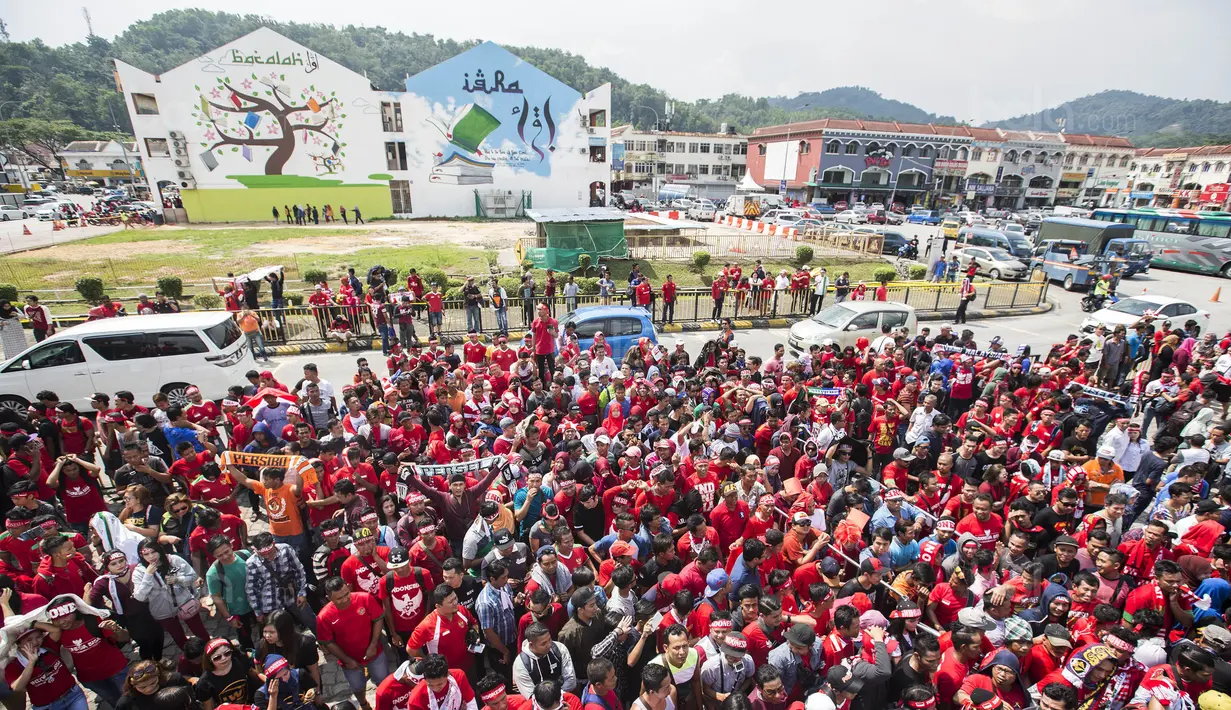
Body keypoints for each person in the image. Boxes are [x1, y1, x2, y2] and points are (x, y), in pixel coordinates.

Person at [317, 576, 389, 710]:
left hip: (375, 653)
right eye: (339, 598)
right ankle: (363, 704)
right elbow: (328, 642)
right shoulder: (324, 617)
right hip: (349, 661)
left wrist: (373, 644)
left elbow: (378, 620)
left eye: (346, 594)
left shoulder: (365, 598)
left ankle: (385, 703)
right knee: (357, 686)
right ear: (329, 598)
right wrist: (346, 660)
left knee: (383, 680)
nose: (345, 600)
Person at [131, 539, 209, 650]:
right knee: (178, 637)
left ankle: (208, 651)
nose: (151, 556)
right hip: (162, 610)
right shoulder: (139, 571)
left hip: (185, 602)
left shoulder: (173, 559)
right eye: (146, 554)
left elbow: (193, 576)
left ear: (160, 550)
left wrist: (178, 579)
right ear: (141, 555)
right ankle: (192, 658)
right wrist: (148, 575)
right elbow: (140, 597)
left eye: (154, 552)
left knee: (200, 631)